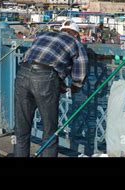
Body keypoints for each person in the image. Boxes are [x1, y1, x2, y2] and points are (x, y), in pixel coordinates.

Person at [14, 20, 88, 157]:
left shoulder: (44, 35)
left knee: (22, 127)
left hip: (22, 73)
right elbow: (81, 66)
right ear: (76, 35)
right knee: (50, 129)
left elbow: (37, 55)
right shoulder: (75, 42)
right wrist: (75, 86)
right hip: (45, 78)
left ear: (62, 30)